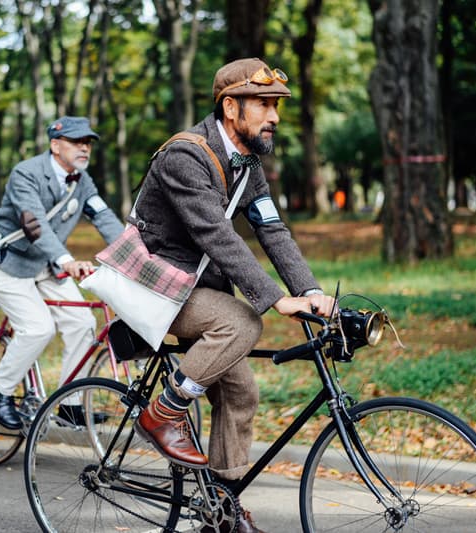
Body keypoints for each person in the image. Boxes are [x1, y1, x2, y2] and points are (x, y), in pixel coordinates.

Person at [131, 58, 335, 533]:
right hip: (157, 285)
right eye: (264, 104)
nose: (275, 116)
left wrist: (309, 289)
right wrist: (273, 298)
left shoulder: (247, 162)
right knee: (242, 322)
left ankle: (220, 508)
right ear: (230, 107)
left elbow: (272, 228)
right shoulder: (185, 156)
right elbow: (215, 235)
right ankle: (164, 412)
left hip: (195, 287)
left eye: (277, 106)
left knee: (242, 392)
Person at [0, 116, 123, 430]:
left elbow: (105, 219)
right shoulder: (26, 173)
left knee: (83, 323)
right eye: (76, 142)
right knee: (37, 329)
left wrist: (134, 257)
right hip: (10, 265)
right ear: (55, 145)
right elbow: (34, 225)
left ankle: (69, 405)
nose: (84, 148)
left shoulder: (83, 181)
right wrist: (65, 259)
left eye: (87, 143)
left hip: (44, 266)